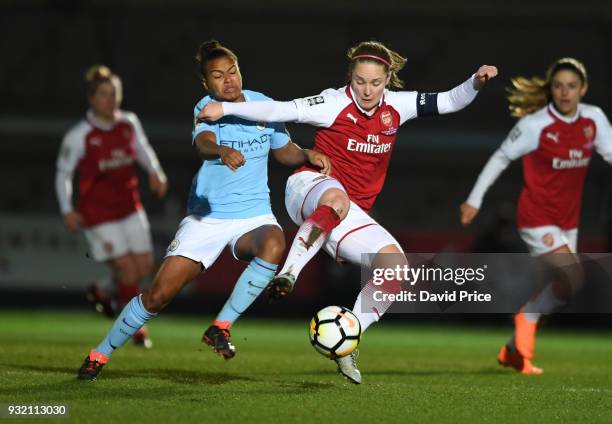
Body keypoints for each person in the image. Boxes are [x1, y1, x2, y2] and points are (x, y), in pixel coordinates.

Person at [200, 40, 497, 383]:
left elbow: (449, 100)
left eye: (374, 82)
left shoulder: (398, 106)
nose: (367, 90)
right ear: (349, 78)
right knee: (336, 199)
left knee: (395, 267)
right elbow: (279, 110)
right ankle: (291, 272)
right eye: (359, 81)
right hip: (308, 187)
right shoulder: (331, 102)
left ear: (388, 79)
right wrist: (226, 111)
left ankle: (348, 341)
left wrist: (475, 82)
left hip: (346, 210)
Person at [76, 40, 331, 381]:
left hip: (252, 215)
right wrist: (222, 150)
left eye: (232, 71)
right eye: (218, 76)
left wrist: (306, 154)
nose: (228, 80)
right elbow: (203, 143)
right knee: (158, 295)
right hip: (206, 219)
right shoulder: (207, 107)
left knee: (273, 243)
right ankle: (100, 353)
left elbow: (283, 152)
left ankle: (220, 327)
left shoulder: (264, 105)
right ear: (206, 84)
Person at [460, 57, 612, 374]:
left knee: (563, 291)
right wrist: (474, 199)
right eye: (558, 86)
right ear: (551, 89)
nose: (565, 92)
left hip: (569, 221)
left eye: (571, 86)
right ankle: (525, 317)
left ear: (583, 89)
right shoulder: (535, 125)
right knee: (573, 276)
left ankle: (514, 350)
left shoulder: (593, 120)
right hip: (536, 217)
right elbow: (501, 157)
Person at [56, 65, 168, 347]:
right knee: (128, 272)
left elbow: (142, 149)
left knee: (143, 268)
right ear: (92, 99)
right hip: (98, 215)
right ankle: (135, 328)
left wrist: (155, 172)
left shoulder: (128, 122)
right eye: (105, 95)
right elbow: (63, 173)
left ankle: (103, 290)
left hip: (130, 207)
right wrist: (67, 209)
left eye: (115, 94)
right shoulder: (80, 135)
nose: (111, 100)